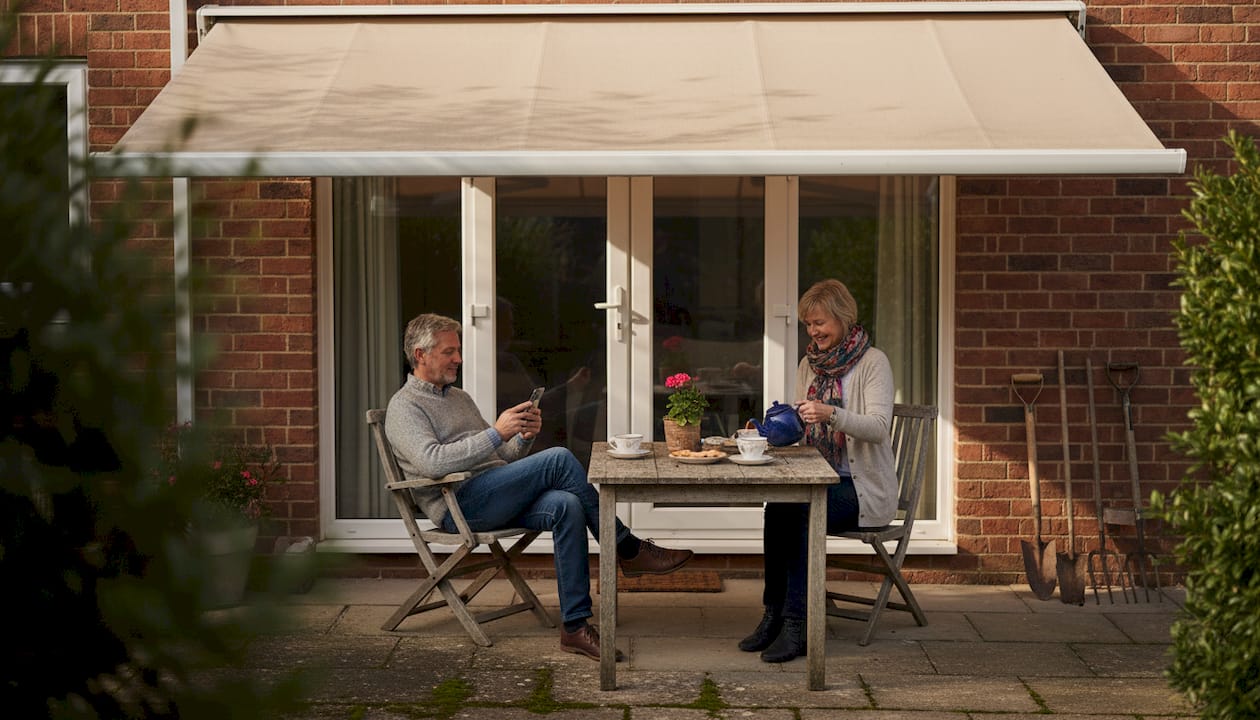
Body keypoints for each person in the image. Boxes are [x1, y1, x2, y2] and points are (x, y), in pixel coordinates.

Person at [385, 313, 693, 661]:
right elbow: (432, 462)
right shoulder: (404, 407)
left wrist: (522, 438)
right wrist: (497, 432)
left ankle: (574, 627)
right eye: (448, 352)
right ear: (420, 354)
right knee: (560, 458)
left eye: (458, 350)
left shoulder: (459, 398)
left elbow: (501, 453)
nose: (458, 358)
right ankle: (626, 547)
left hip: (494, 491)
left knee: (567, 505)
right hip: (458, 505)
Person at [738, 279, 897, 663]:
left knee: (805, 512)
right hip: (819, 479)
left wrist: (832, 414)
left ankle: (799, 624)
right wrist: (764, 430)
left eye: (820, 323)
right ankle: (773, 614)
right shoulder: (808, 365)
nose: (814, 332)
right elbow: (798, 428)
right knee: (778, 507)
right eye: (809, 325)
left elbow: (878, 427)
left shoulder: (873, 362)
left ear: (843, 319)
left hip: (863, 488)